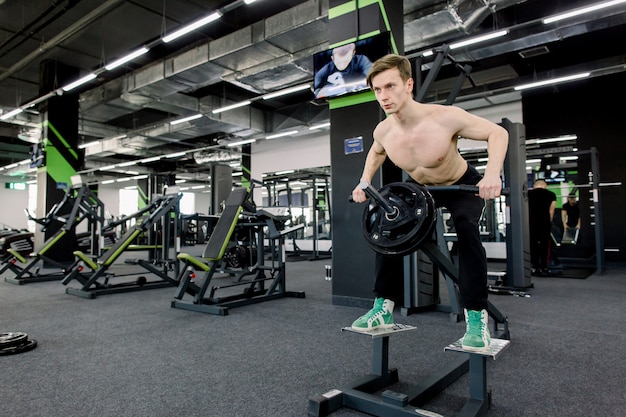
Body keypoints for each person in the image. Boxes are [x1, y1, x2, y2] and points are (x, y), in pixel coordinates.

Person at [350, 54, 509, 352]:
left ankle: (476, 316)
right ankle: (383, 307)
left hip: (461, 184)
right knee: (389, 225)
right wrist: (364, 181)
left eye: (390, 86)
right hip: (422, 187)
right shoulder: (383, 130)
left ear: (408, 84)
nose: (383, 96)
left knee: (466, 230)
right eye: (377, 90)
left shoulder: (445, 117)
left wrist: (492, 174)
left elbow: (496, 133)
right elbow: (376, 152)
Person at [527, 179, 557, 275]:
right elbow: (551, 211)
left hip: (531, 222)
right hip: (544, 223)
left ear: (535, 185)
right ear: (545, 185)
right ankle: (544, 266)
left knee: (533, 244)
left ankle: (534, 266)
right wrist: (549, 222)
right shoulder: (551, 194)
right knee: (544, 245)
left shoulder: (528, 193)